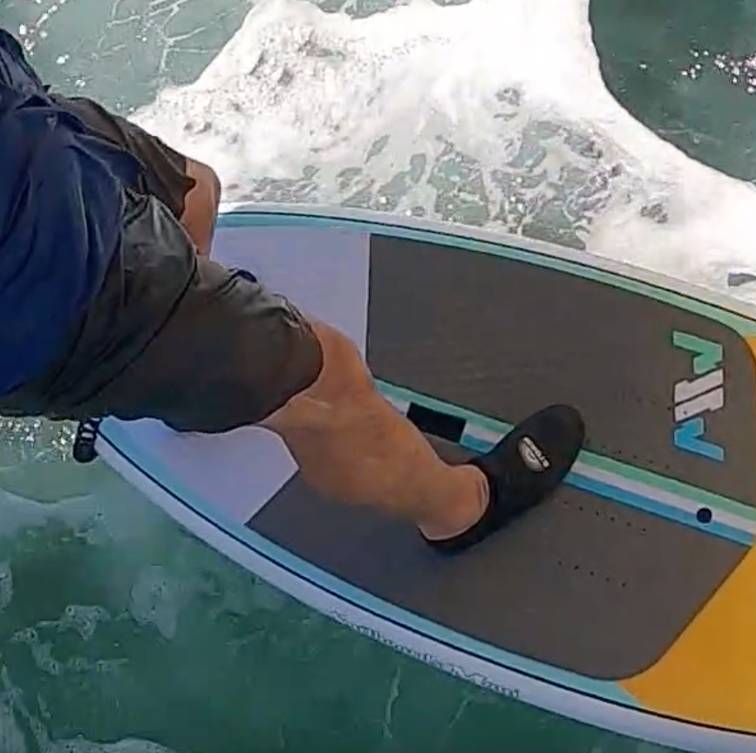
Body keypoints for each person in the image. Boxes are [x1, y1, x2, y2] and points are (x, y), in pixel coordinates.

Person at [0, 28, 585, 552]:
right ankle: (459, 510)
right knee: (327, 388)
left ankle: (183, 370)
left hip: (32, 129)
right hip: (55, 282)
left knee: (195, 189)